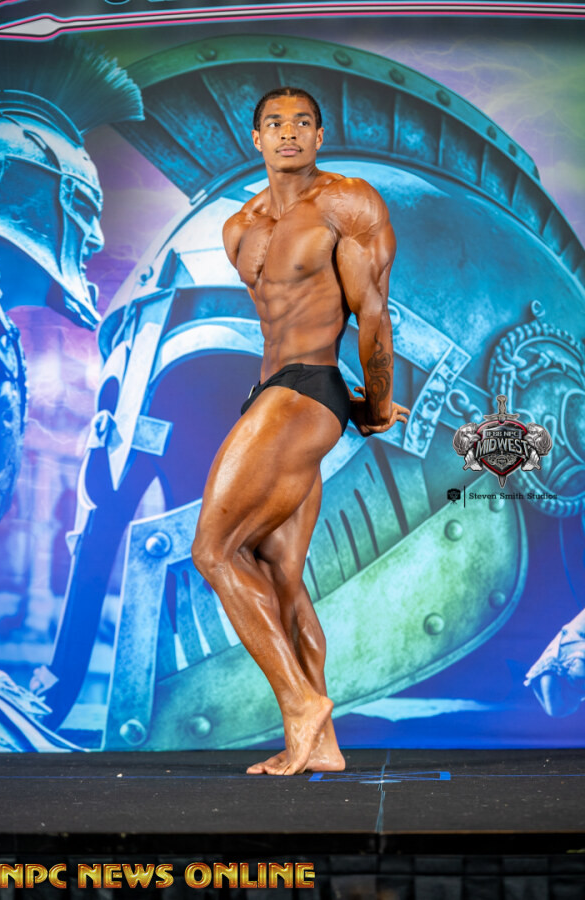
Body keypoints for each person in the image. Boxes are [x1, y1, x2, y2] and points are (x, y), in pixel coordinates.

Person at [191, 86, 409, 776]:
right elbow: (275, 321)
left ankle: (299, 702)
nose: (289, 133)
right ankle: (321, 744)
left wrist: (376, 405)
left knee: (214, 551)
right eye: (275, 123)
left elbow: (371, 313)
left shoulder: (348, 204)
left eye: (303, 123)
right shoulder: (239, 227)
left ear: (319, 137)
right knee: (282, 576)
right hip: (271, 392)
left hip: (310, 388)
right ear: (256, 139)